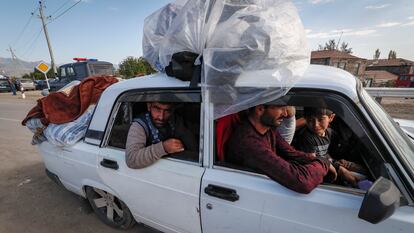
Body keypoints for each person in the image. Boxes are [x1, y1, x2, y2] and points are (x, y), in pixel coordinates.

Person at [227, 101, 337, 194]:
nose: (286, 113)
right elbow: (302, 181)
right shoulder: (248, 143)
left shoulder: (268, 128)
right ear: (260, 109)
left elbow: (292, 153)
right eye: (281, 108)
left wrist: (331, 165)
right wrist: (324, 163)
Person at [293, 107, 367, 187]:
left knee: (364, 172)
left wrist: (340, 163)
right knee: (352, 179)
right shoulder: (306, 137)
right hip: (319, 168)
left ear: (331, 118)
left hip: (330, 162)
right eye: (310, 120)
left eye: (321, 119)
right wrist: (339, 169)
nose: (315, 125)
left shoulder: (329, 132)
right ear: (306, 120)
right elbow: (313, 160)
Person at [125, 102, 198, 169]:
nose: (161, 117)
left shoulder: (174, 120)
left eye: (167, 111)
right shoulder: (139, 126)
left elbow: (191, 143)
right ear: (149, 106)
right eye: (157, 109)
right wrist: (163, 147)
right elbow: (131, 160)